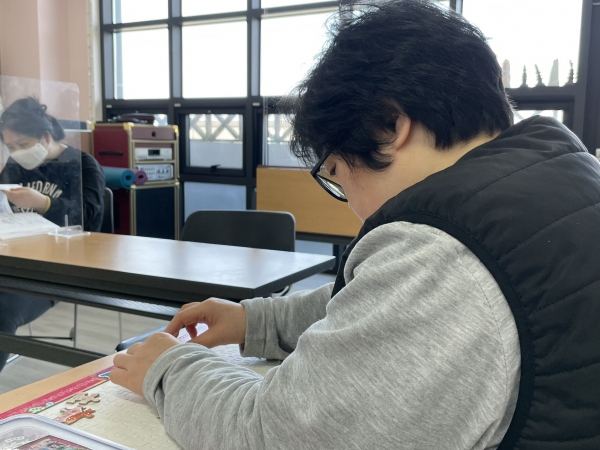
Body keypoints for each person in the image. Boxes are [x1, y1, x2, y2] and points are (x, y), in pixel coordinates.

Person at [111, 1, 599, 449]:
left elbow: (276, 436)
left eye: (337, 175)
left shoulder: (448, 253)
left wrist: (168, 368)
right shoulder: (558, 182)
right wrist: (258, 321)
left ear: (389, 125)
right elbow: (379, 300)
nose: (352, 208)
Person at [0, 96, 105, 371]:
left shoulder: (82, 165)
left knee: (2, 310)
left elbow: (88, 218)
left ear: (45, 137)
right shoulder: (15, 167)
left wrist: (44, 203)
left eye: (22, 144)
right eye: (10, 147)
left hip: (59, 269)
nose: (16, 152)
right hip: (16, 262)